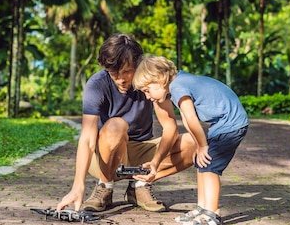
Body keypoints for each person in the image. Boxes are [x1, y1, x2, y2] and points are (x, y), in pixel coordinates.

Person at [56, 34, 195, 213]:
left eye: (127, 71)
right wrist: (77, 186)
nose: (121, 79)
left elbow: (170, 128)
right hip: (106, 154)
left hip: (142, 151)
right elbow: (87, 139)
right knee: (116, 125)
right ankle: (105, 186)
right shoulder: (97, 85)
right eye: (114, 73)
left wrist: (155, 163)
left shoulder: (151, 81)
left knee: (193, 143)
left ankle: (139, 186)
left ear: (138, 65)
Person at [132, 55, 249, 225]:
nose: (147, 96)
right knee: (201, 163)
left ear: (159, 79)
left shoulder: (178, 86)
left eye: (147, 90)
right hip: (223, 124)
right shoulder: (178, 84)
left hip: (231, 124)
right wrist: (197, 144)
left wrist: (202, 146)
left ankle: (212, 213)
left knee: (209, 166)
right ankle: (202, 208)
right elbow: (187, 120)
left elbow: (192, 119)